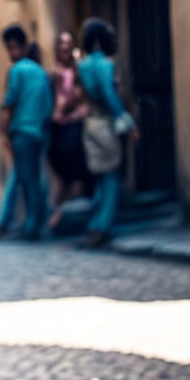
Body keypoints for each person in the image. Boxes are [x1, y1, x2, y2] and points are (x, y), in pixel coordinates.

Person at [76, 18, 138, 248]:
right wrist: (128, 122)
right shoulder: (105, 65)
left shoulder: (82, 66)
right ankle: (101, 227)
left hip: (90, 124)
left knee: (100, 177)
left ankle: (94, 224)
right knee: (111, 176)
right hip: (105, 124)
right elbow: (110, 96)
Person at [0, 25, 53, 241]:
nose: (12, 53)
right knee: (34, 179)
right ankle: (32, 222)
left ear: (24, 47)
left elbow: (10, 104)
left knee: (28, 182)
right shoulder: (40, 72)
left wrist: (5, 133)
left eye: (15, 48)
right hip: (39, 131)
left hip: (22, 132)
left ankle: (32, 227)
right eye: (10, 48)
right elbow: (48, 104)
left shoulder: (16, 70)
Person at [47, 31, 91, 229]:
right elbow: (54, 105)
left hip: (74, 128)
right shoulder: (53, 75)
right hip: (58, 131)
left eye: (68, 44)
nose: (64, 49)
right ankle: (60, 215)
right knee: (62, 177)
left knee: (77, 175)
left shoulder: (79, 72)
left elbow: (82, 100)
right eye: (61, 45)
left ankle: (69, 217)